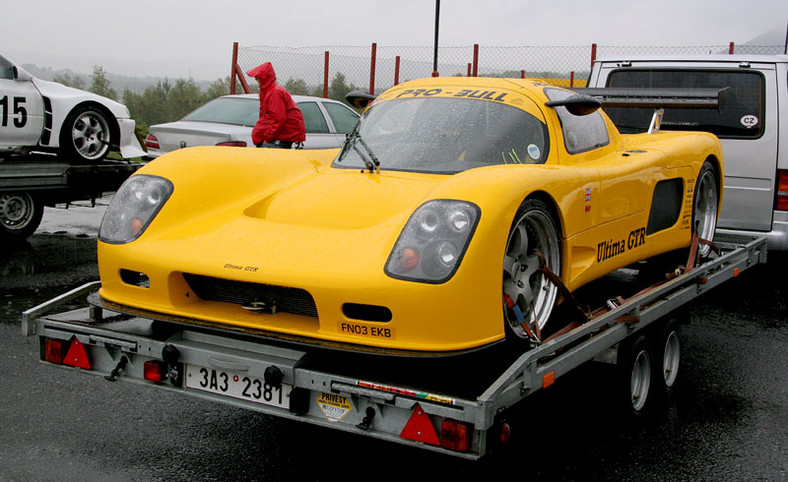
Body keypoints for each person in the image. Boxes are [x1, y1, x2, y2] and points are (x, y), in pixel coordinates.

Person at [246, 62, 306, 149]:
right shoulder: (268, 91)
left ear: (263, 77)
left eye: (257, 77)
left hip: (279, 137)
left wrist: (267, 137)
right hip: (277, 136)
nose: (256, 80)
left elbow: (279, 118)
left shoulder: (274, 92)